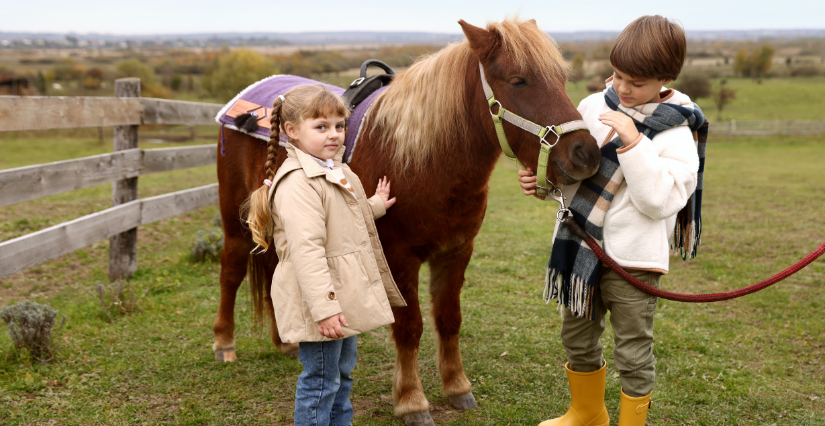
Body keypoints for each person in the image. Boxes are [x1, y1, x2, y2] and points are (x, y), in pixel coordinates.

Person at [519, 16, 705, 426]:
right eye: (618, 75)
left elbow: (659, 201)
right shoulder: (590, 106)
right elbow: (573, 174)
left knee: (633, 351)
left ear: (664, 78)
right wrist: (544, 185)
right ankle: (586, 413)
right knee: (577, 339)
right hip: (579, 248)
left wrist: (634, 144)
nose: (621, 88)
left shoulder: (677, 131)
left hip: (633, 261)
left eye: (635, 82)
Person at [244, 84, 406, 426]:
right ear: (292, 131)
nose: (333, 134)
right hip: (318, 303)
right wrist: (325, 309)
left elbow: (341, 216)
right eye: (321, 127)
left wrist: (375, 205)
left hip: (340, 295)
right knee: (320, 381)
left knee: (342, 374)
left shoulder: (335, 169)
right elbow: (307, 251)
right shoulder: (298, 184)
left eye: (338, 125)